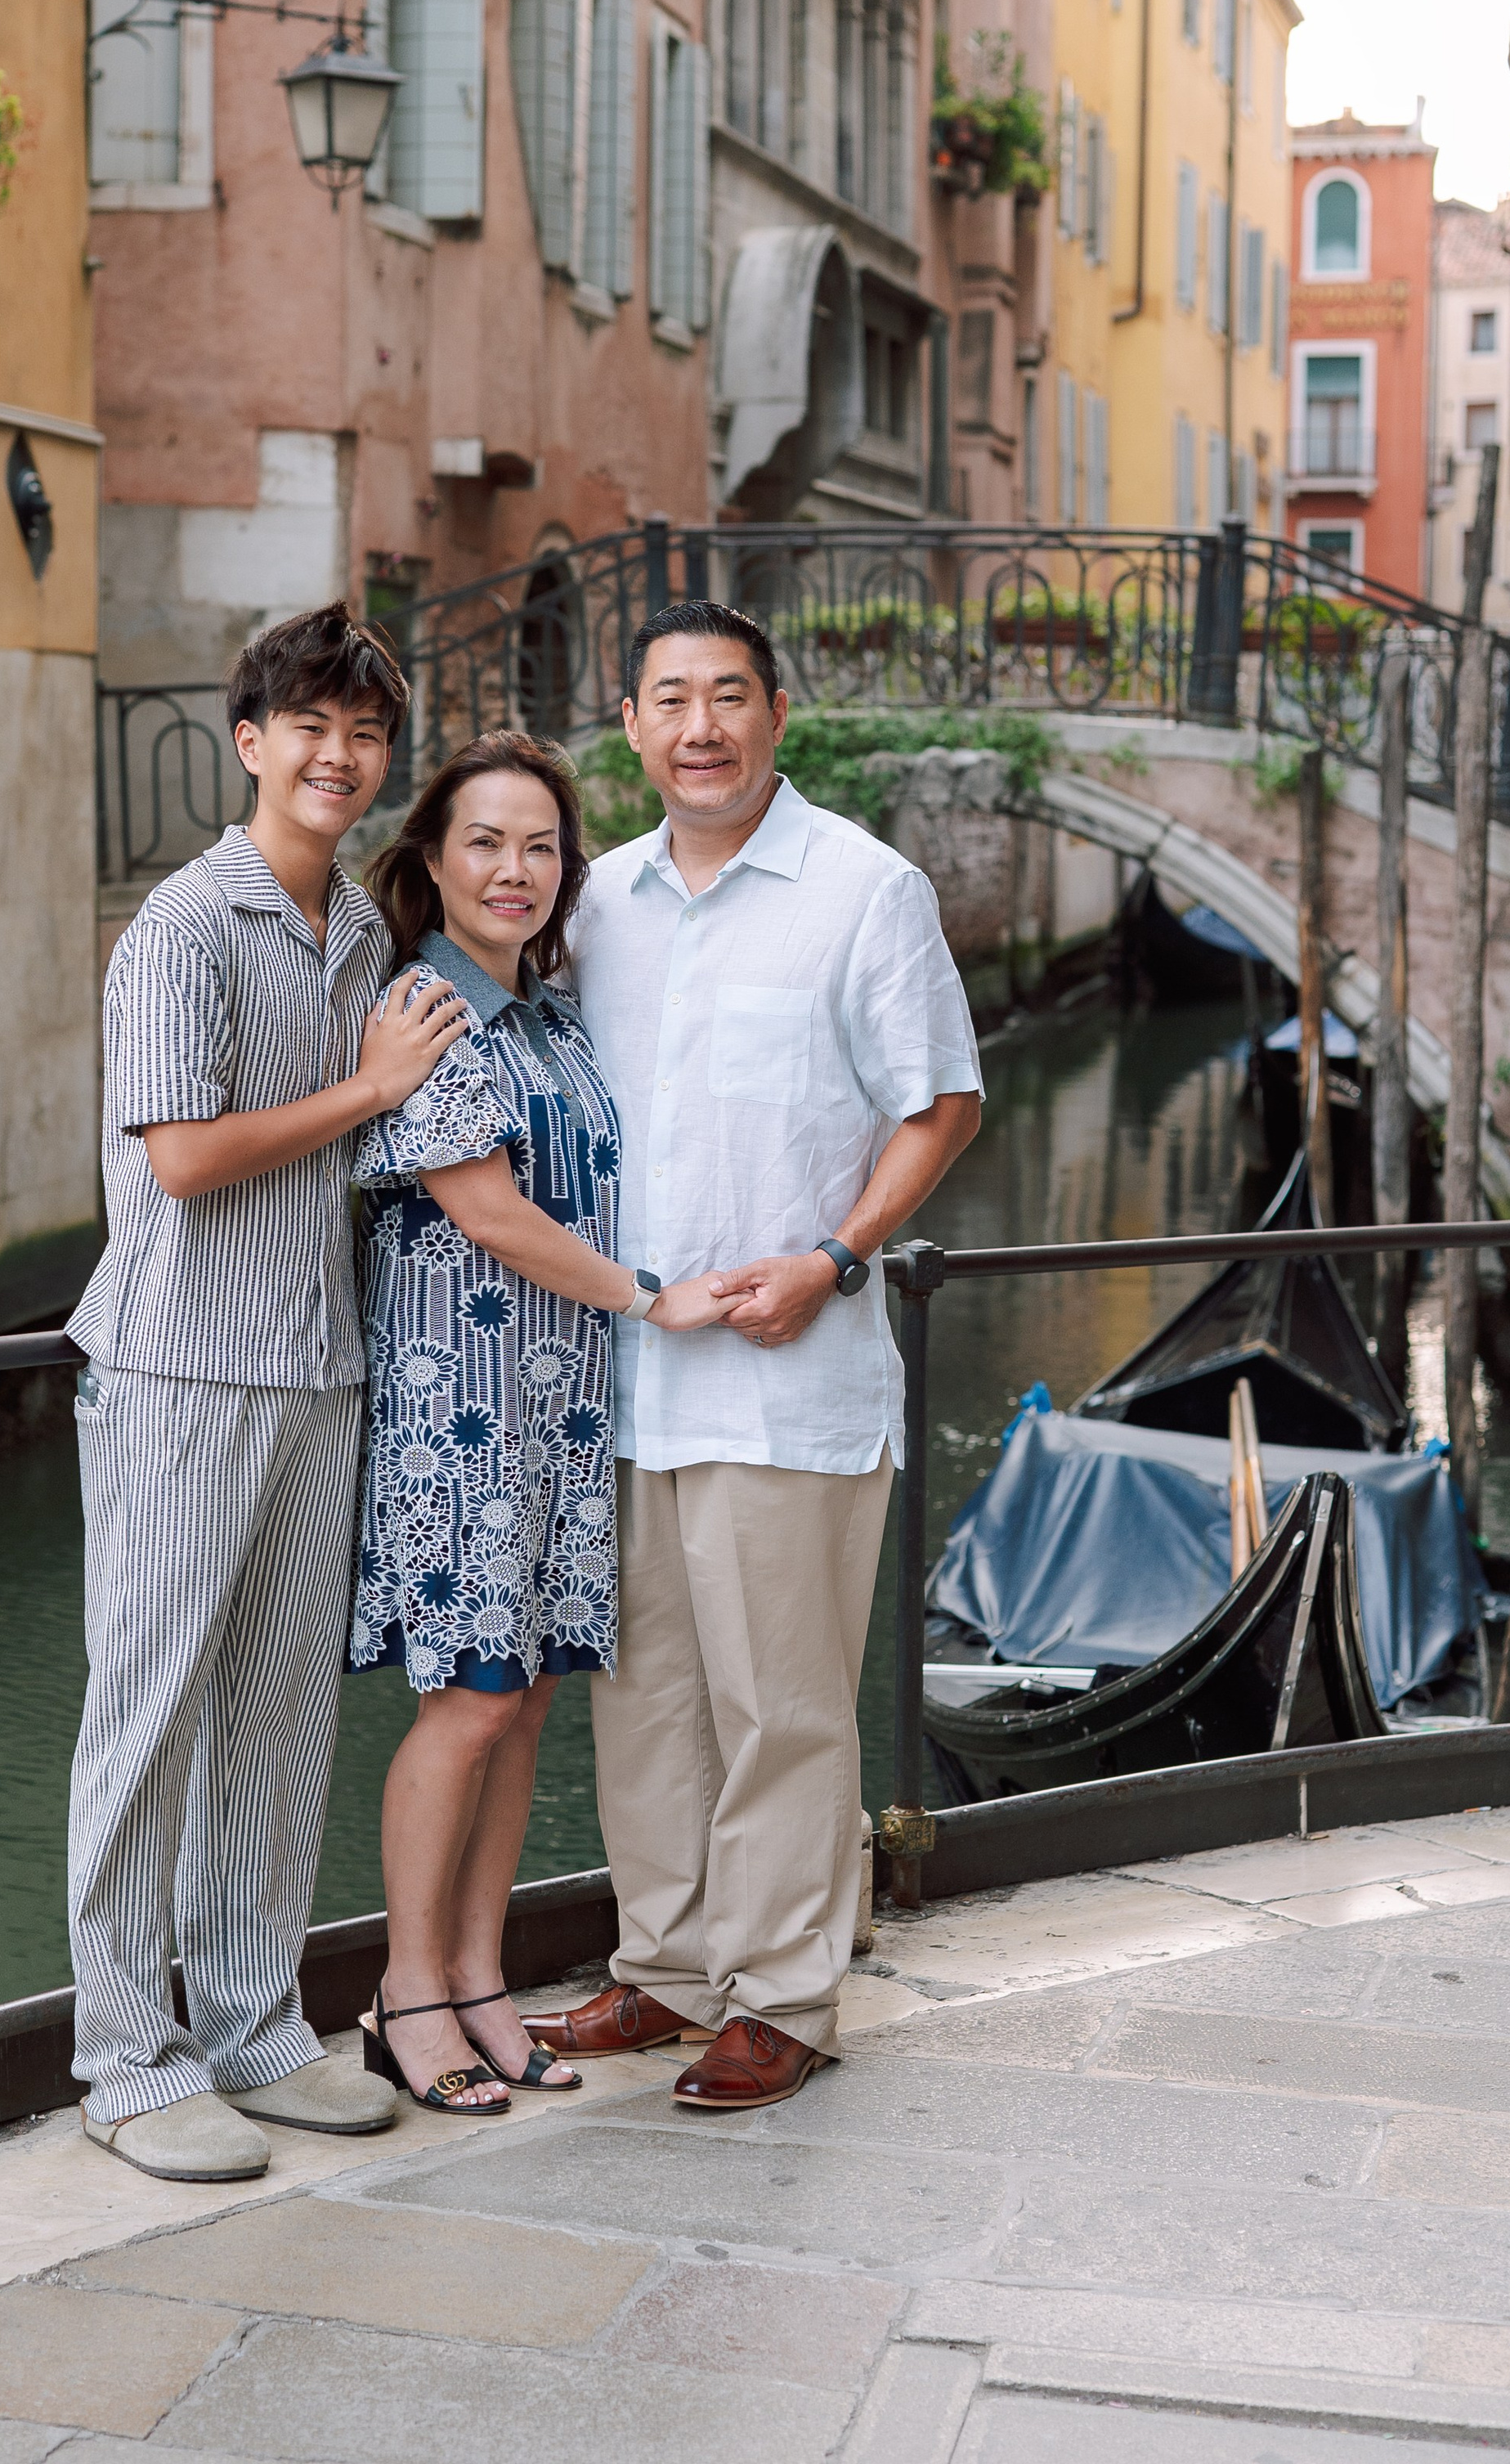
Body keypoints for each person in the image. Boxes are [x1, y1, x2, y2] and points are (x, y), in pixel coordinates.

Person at [523, 601, 983, 2109]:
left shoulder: (865, 890)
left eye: (729, 696)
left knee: (781, 1707)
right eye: (670, 700)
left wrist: (838, 1256)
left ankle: (782, 1993)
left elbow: (940, 1105)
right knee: (642, 1698)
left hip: (793, 1377)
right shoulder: (592, 904)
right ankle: (662, 1968)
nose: (700, 726)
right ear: (634, 725)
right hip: (628, 1379)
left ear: (778, 713)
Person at [65, 602, 471, 2185]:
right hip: (178, 1366)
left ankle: (247, 2022)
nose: (338, 755)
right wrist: (369, 1089)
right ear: (249, 742)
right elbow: (175, 1160)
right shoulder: (180, 925)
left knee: (281, 1718)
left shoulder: (364, 935)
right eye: (309, 726)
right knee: (145, 1719)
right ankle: (121, 2052)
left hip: (319, 1368)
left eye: (363, 733)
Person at [348, 731, 727, 2116]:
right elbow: (488, 1211)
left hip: (561, 1411)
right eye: (485, 844)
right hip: (460, 1414)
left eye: (541, 847)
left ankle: (480, 1982)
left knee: (533, 1695)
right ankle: (404, 1996)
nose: (514, 870)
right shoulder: (426, 1011)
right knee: (473, 1700)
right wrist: (655, 1298)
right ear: (434, 861)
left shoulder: (552, 1016)